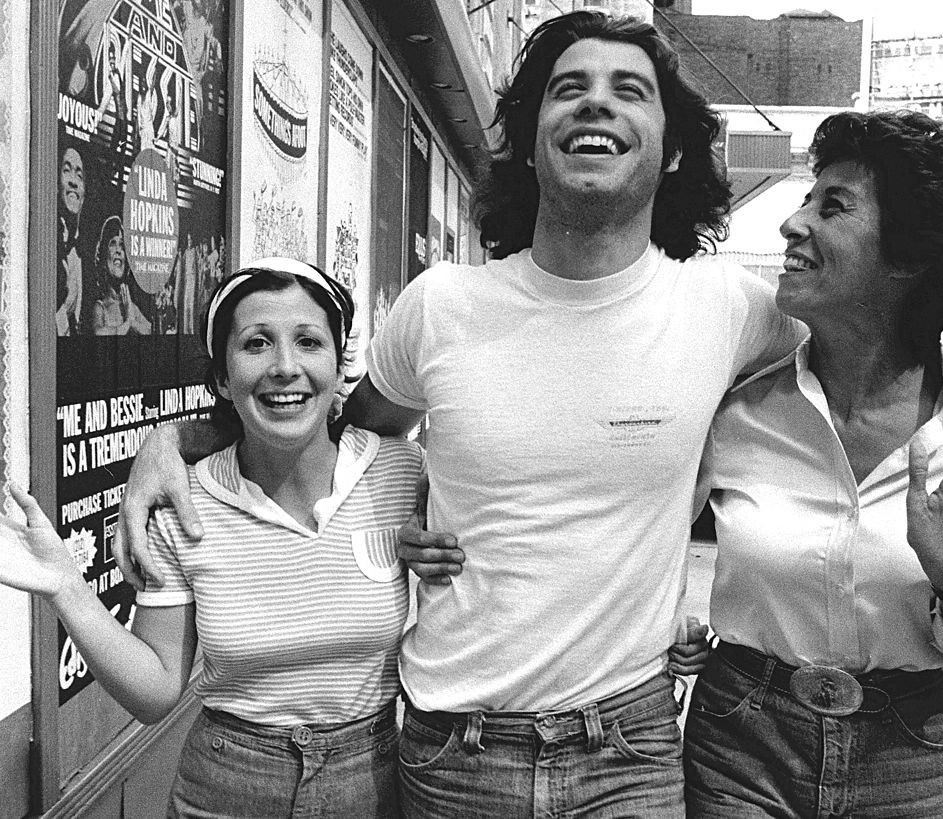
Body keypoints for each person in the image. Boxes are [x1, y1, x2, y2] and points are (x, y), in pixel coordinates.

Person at [114, 12, 804, 815]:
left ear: (673, 146)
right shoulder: (441, 307)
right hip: (453, 752)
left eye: (630, 91)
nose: (595, 105)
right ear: (528, 138)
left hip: (630, 747)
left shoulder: (729, 308)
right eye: (567, 89)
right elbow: (332, 433)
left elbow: (861, 360)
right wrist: (176, 437)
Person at [684, 110, 943, 817]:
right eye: (808, 197)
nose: (792, 224)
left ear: (907, 256)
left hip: (909, 750)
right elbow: (635, 529)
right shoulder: (736, 404)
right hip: (742, 739)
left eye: (831, 205)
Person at [0, 258, 422, 816]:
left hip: (375, 780)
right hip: (228, 785)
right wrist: (64, 587)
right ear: (222, 377)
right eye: (256, 344)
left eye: (308, 342)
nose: (284, 367)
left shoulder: (400, 474)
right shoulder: (182, 503)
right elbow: (155, 689)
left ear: (340, 364)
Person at [89, 215, 152, 335]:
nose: (118, 250)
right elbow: (98, 332)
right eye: (112, 243)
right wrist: (128, 323)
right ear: (103, 256)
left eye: (122, 245)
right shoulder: (100, 307)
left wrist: (133, 322)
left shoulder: (131, 307)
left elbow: (152, 331)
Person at [57, 145, 85, 336]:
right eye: (67, 171)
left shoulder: (78, 255)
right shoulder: (51, 242)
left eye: (79, 175)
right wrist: (65, 308)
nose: (74, 182)